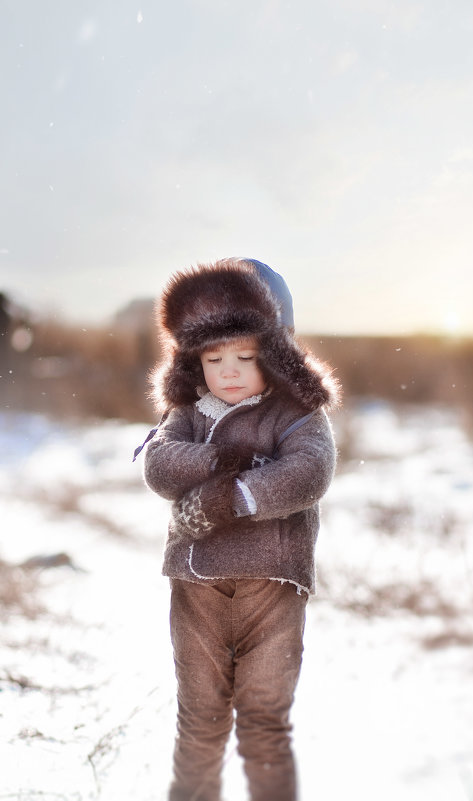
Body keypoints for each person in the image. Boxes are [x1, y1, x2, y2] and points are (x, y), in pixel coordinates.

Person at [142, 257, 339, 801]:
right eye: (213, 357)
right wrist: (216, 459)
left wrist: (233, 497)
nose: (228, 370)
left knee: (263, 723)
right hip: (197, 588)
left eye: (246, 356)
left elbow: (308, 472)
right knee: (200, 721)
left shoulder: (297, 413)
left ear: (276, 354)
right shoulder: (189, 413)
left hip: (272, 588)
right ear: (192, 360)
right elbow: (160, 466)